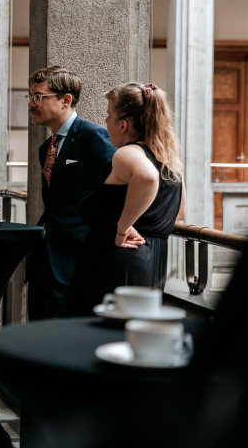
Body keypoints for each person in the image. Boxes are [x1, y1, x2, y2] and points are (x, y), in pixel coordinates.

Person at [56, 83, 186, 318]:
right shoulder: (169, 160)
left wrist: (123, 228)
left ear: (123, 125)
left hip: (116, 261)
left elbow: (147, 177)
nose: (106, 121)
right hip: (152, 262)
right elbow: (180, 212)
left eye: (108, 115)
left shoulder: (128, 153)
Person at [24, 66, 116, 320]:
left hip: (77, 259)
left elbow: (120, 191)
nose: (31, 103)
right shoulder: (46, 147)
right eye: (30, 96)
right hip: (45, 257)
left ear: (65, 100)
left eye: (39, 96)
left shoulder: (94, 137)